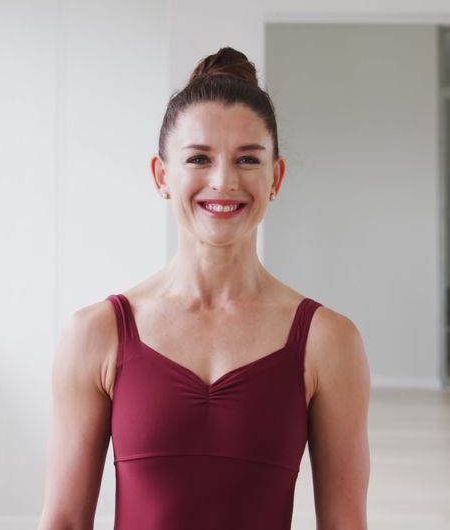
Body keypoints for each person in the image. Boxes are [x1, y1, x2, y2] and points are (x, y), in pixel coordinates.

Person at [38, 46, 370, 530]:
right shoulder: (96, 334)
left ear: (275, 177)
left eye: (247, 160)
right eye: (198, 158)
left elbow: (345, 525)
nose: (223, 180)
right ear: (162, 176)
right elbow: (64, 522)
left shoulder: (329, 341)